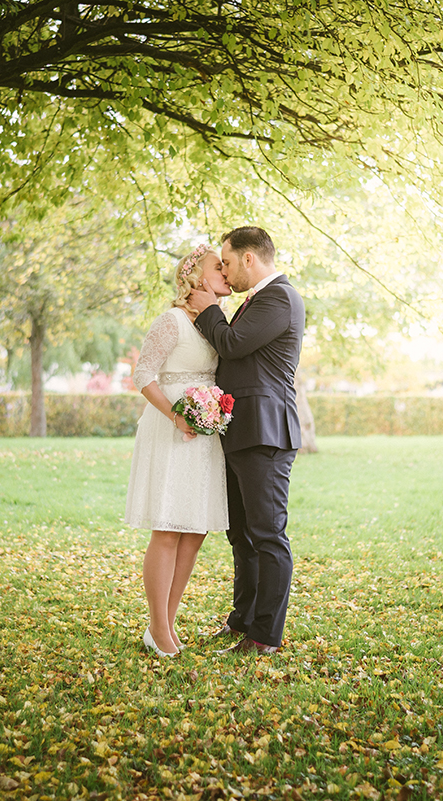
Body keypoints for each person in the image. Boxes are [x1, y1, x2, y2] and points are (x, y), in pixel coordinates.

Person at [187, 226, 305, 656]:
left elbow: (234, 345)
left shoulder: (280, 298)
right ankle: (242, 622)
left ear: (250, 259)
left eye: (229, 261)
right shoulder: (258, 301)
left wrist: (207, 309)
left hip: (266, 434)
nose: (227, 270)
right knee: (242, 535)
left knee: (267, 535)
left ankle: (264, 636)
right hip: (243, 431)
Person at [124, 245, 233, 658]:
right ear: (197, 276)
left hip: (205, 432)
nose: (224, 271)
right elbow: (143, 373)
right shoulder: (171, 320)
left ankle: (164, 625)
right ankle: (158, 627)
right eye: (216, 266)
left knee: (195, 528)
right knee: (168, 527)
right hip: (172, 428)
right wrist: (175, 415)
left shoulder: (215, 320)